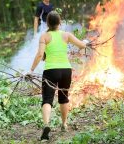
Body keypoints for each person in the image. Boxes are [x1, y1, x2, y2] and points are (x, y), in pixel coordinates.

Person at [29, 11, 88, 141]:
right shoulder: (66, 35)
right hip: (66, 71)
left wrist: (31, 70)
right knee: (64, 98)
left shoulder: (44, 36)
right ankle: (64, 124)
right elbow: (82, 45)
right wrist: (85, 41)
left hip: (51, 71)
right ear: (60, 23)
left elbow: (40, 55)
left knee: (47, 99)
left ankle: (46, 125)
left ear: (48, 23)